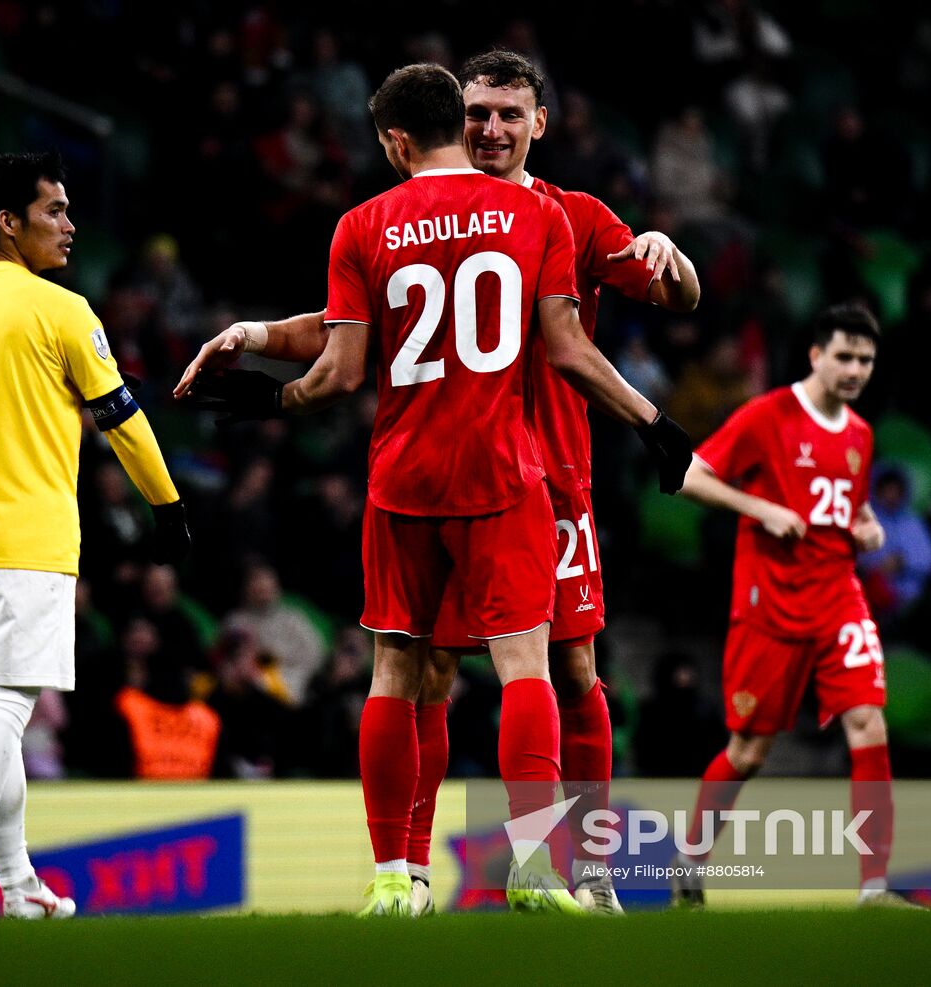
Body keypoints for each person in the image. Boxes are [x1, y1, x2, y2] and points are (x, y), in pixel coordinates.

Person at [175, 49, 701, 914]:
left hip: (492, 477)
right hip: (509, 474)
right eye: (479, 114)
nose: (492, 128)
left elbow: (674, 295)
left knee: (557, 669)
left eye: (508, 114)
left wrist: (669, 254)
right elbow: (560, 344)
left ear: (540, 124)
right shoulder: (532, 224)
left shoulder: (565, 215)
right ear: (458, 122)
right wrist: (655, 425)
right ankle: (446, 870)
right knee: (464, 671)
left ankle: (576, 868)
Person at [0, 150, 191, 921]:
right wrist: (166, 505)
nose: (71, 227)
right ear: (9, 222)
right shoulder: (61, 310)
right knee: (6, 710)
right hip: (28, 532)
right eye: (54, 211)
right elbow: (123, 421)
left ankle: (18, 881)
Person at [673, 303, 919, 908]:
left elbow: (849, 509)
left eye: (865, 359)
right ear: (816, 355)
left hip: (838, 596)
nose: (855, 369)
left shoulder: (860, 434)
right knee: (749, 751)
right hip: (771, 605)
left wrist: (867, 527)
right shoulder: (768, 416)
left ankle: (874, 888)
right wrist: (761, 509)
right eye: (844, 356)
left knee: (869, 723)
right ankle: (690, 859)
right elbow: (688, 475)